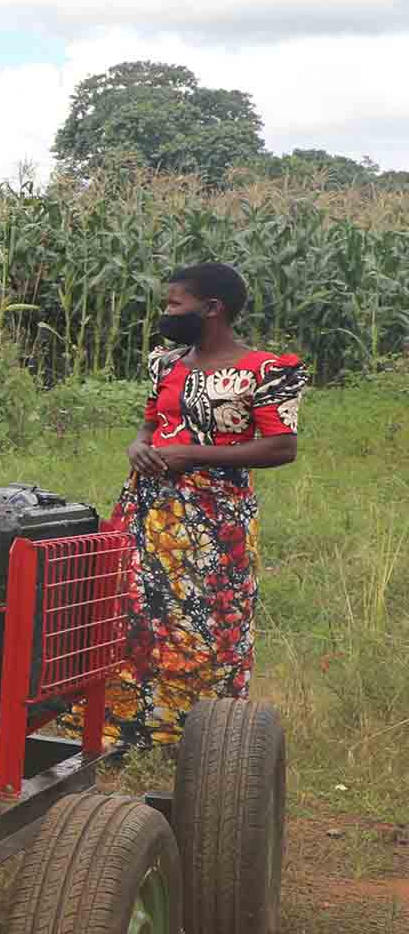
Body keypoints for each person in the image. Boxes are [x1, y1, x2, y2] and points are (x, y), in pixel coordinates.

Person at [108, 262, 301, 751]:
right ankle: (131, 728)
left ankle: (204, 737)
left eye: (175, 304)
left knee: (209, 622)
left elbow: (281, 447)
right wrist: (138, 446)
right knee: (137, 612)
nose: (166, 312)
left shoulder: (263, 370)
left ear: (212, 309)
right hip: (149, 511)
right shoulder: (167, 363)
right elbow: (150, 425)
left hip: (215, 521)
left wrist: (193, 454)